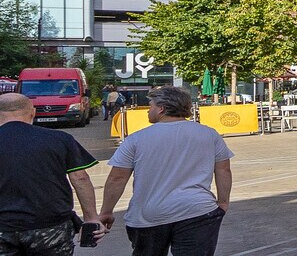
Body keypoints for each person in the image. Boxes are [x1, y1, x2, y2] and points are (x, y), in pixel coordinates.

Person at [98, 86, 233, 256]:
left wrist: (106, 211)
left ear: (161, 109)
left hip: (149, 216)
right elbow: (223, 170)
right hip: (198, 211)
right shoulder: (210, 135)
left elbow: (117, 178)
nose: (148, 110)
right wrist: (223, 202)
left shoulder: (136, 139)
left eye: (151, 105)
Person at [0, 90, 101, 255]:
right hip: (51, 226)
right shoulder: (60, 139)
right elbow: (80, 178)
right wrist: (91, 219)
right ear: (33, 112)